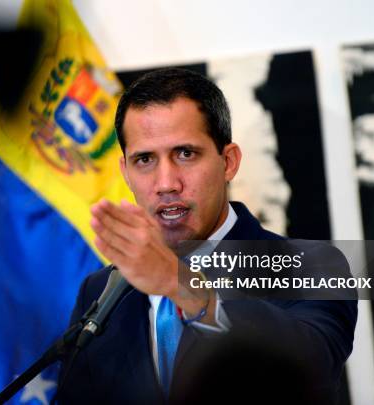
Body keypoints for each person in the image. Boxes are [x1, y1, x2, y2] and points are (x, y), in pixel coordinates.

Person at [56, 68, 357, 404]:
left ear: (228, 162)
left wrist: (181, 283)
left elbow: (309, 368)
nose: (166, 182)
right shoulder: (100, 291)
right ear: (125, 171)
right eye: (145, 160)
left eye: (185, 154)